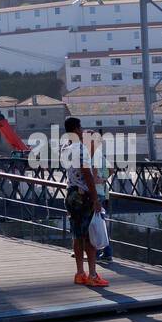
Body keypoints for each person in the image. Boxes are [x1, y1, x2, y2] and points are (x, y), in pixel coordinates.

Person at [61, 117, 107, 287]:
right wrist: (95, 199)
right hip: (83, 196)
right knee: (90, 236)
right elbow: (87, 174)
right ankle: (93, 275)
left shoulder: (65, 147)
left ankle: (80, 273)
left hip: (71, 193)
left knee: (77, 235)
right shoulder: (80, 148)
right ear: (76, 129)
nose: (82, 130)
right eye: (80, 128)